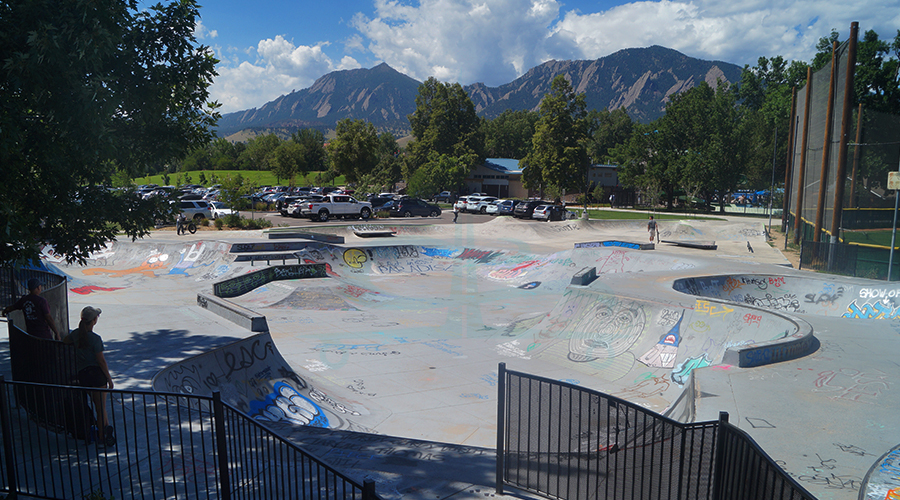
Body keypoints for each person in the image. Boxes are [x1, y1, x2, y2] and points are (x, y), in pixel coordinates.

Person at [64, 306, 115, 446]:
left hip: (84, 376)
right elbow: (101, 361)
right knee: (100, 408)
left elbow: (64, 341)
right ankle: (102, 437)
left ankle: (106, 429)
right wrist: (109, 379)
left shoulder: (75, 335)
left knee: (97, 405)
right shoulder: (95, 339)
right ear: (94, 320)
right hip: (97, 376)